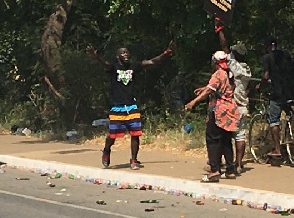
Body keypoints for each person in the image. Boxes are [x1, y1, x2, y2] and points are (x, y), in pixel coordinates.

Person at [86, 41, 174, 169]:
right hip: (117, 106)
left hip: (131, 106)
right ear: (118, 56)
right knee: (112, 135)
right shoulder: (114, 68)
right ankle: (106, 150)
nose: (126, 54)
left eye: (127, 52)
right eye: (123, 53)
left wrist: (166, 53)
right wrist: (96, 56)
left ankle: (133, 160)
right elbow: (104, 64)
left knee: (135, 133)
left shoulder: (134, 66)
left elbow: (152, 62)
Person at [186, 51, 239, 182]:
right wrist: (204, 88)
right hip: (229, 110)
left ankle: (214, 170)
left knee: (213, 139)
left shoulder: (218, 73)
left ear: (214, 62)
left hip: (218, 110)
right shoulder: (228, 73)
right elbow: (216, 86)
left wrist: (193, 102)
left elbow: (210, 90)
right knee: (226, 140)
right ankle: (230, 170)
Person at [216, 19, 252, 175]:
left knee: (225, 135)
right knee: (240, 135)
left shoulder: (235, 67)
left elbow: (224, 47)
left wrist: (220, 30)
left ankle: (226, 165)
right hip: (243, 106)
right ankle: (238, 164)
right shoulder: (247, 70)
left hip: (233, 106)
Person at [258, 36, 294, 158]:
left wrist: (260, 85)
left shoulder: (267, 57)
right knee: (289, 112)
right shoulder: (286, 54)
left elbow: (266, 76)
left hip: (278, 92)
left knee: (273, 120)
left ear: (267, 46)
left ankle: (277, 149)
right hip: (291, 90)